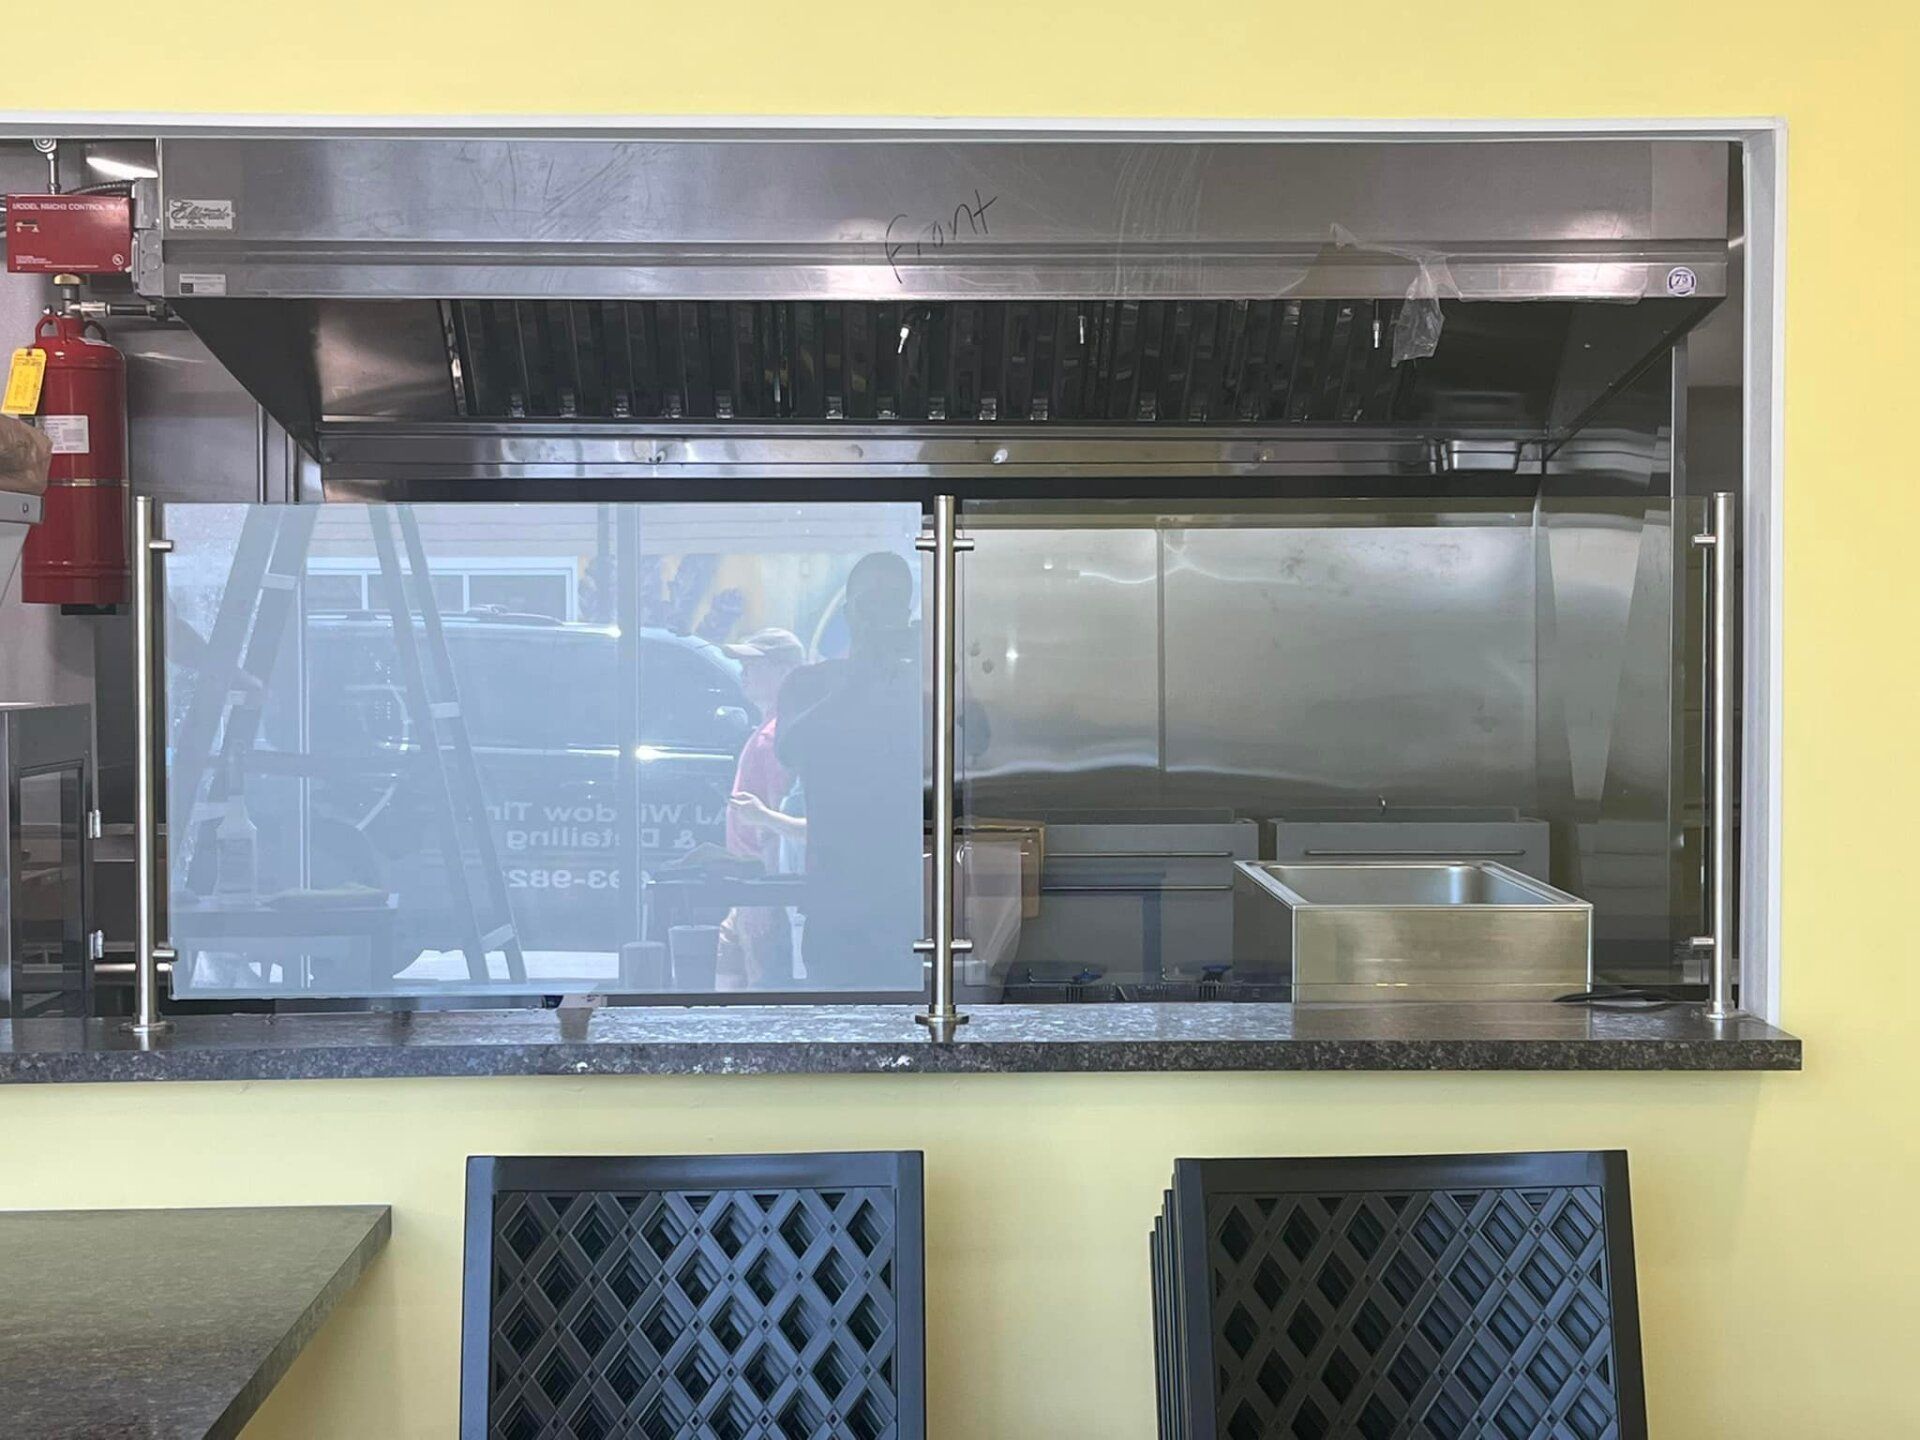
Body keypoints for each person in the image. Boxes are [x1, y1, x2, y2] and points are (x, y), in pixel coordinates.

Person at [775, 551, 923, 990]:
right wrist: (862, 676)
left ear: (907, 611)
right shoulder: (810, 683)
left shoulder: (921, 684)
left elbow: (976, 743)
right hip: (836, 899)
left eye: (892, 602)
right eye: (869, 602)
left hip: (908, 901)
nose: (880, 614)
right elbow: (790, 751)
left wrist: (937, 665)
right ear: (847, 612)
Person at [713, 627, 805, 987]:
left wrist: (764, 899)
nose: (743, 672)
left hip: (760, 890)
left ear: (785, 672)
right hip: (748, 892)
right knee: (734, 992)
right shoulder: (771, 731)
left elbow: (776, 826)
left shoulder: (774, 739)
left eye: (754, 664)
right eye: (741, 664)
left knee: (756, 997)